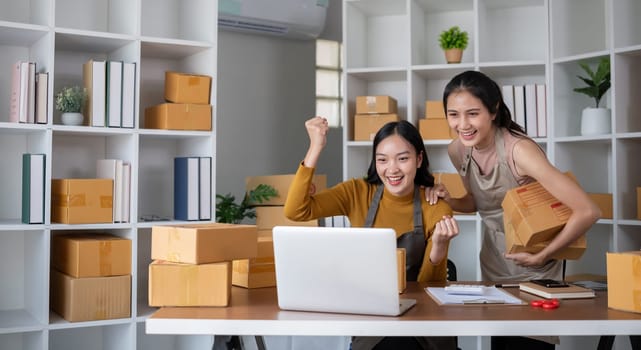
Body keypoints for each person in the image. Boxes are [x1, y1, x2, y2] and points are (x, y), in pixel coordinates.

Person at [425, 70, 601, 350]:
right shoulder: (458, 150)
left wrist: (543, 255)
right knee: (500, 340)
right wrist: (450, 200)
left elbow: (588, 210)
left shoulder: (519, 151)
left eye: (473, 113)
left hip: (536, 262)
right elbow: (478, 201)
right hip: (494, 258)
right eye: (453, 114)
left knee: (529, 342)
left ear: (494, 110)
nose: (463, 124)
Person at [284, 117, 460, 350]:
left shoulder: (435, 205)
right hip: (372, 323)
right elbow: (296, 210)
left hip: (423, 326)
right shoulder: (357, 192)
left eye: (403, 159)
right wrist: (316, 147)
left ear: (418, 159)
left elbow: (430, 289)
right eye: (382, 160)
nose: (392, 169)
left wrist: (438, 248)